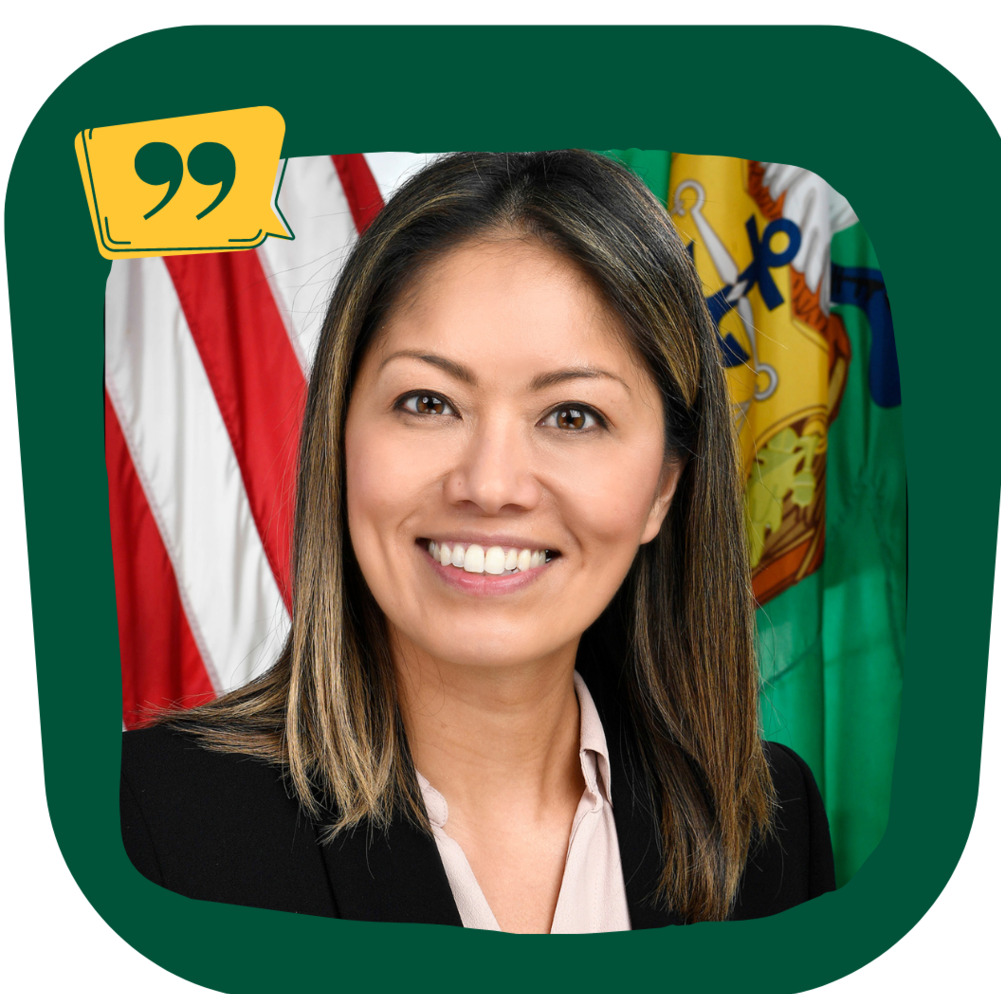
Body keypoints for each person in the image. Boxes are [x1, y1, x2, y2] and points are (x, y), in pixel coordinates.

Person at [121, 150, 835, 932]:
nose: (491, 485)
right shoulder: (145, 829)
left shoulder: (775, 828)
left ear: (664, 486)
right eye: (429, 402)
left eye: (572, 416)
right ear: (339, 441)